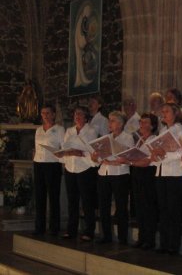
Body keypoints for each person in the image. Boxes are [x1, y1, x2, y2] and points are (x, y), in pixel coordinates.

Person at [149, 103, 182, 254]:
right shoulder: (163, 130)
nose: (163, 114)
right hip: (162, 173)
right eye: (162, 111)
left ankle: (174, 244)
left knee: (173, 211)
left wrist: (164, 154)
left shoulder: (181, 130)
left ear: (175, 113)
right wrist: (155, 154)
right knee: (164, 210)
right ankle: (164, 243)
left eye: (167, 111)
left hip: (175, 174)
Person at [91, 111, 134, 244]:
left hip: (120, 174)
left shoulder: (127, 137)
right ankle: (106, 236)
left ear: (120, 124)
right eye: (109, 120)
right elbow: (98, 159)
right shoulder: (106, 137)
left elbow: (128, 156)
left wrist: (112, 159)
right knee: (103, 206)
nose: (109, 123)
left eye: (113, 120)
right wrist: (95, 157)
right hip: (104, 173)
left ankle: (122, 237)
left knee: (121, 206)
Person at [58, 106, 97, 241]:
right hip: (70, 168)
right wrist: (69, 151)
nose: (77, 116)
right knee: (72, 202)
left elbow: (91, 150)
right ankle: (71, 230)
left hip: (85, 168)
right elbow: (64, 147)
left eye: (80, 114)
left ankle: (88, 231)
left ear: (86, 118)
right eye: (76, 114)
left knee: (87, 202)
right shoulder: (69, 131)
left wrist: (79, 151)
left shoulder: (91, 131)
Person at [121, 113, 159, 250]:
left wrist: (130, 161)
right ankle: (142, 237)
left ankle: (149, 239)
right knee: (139, 207)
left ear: (153, 125)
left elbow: (148, 161)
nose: (142, 125)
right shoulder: (139, 139)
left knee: (148, 207)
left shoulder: (154, 139)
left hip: (148, 174)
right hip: (137, 174)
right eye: (141, 122)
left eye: (146, 122)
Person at [33, 104, 65, 236]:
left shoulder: (59, 129)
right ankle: (39, 227)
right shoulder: (39, 130)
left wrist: (60, 154)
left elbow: (63, 148)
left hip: (52, 165)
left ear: (53, 115)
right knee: (39, 197)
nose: (45, 116)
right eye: (43, 113)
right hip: (39, 164)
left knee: (53, 196)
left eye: (47, 113)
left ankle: (54, 227)